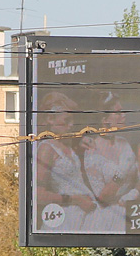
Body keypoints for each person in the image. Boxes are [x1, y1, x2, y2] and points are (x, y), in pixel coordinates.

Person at [35, 91, 96, 232]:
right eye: (66, 121)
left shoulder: (68, 144)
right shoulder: (46, 149)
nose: (71, 126)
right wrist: (75, 199)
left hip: (85, 212)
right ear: (50, 120)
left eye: (72, 121)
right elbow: (39, 194)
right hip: (66, 217)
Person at [80, 92, 140, 232]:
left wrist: (134, 193)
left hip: (132, 213)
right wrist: (122, 171)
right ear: (105, 120)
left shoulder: (124, 143)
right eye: (118, 112)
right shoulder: (91, 150)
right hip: (107, 218)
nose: (124, 115)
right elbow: (102, 198)